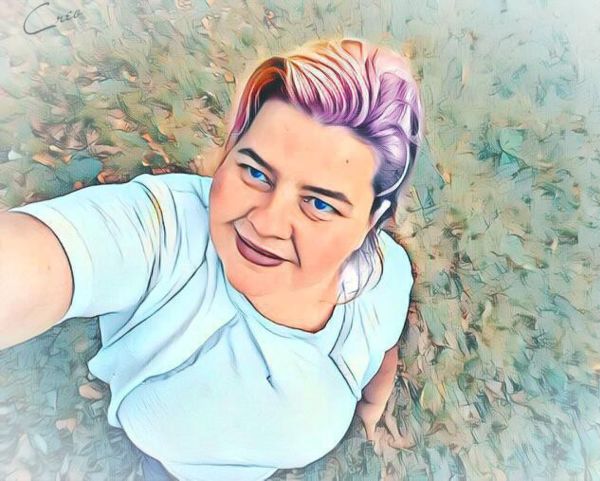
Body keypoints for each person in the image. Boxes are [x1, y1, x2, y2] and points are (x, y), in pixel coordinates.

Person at [0, 37, 423, 480]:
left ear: (371, 222)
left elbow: (384, 347)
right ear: (230, 150)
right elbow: (38, 262)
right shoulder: (168, 231)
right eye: (255, 172)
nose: (266, 223)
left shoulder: (385, 275)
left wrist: (373, 401)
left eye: (319, 203)